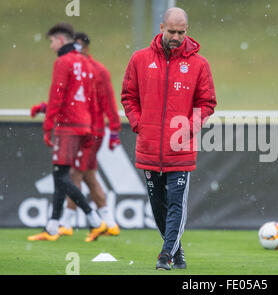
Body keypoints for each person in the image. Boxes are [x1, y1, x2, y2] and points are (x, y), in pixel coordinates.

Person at [121, 7, 217, 270]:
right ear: (162, 27)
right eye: (172, 31)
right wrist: (138, 123)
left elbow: (207, 103)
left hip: (180, 149)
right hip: (149, 148)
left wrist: (189, 127)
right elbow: (128, 96)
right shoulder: (139, 60)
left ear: (187, 30)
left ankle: (165, 255)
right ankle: (177, 252)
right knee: (158, 207)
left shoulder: (199, 64)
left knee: (176, 204)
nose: (176, 37)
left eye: (181, 32)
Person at [27, 23, 107, 242]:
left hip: (68, 126)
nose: (51, 46)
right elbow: (87, 96)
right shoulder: (84, 62)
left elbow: (58, 95)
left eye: (52, 41)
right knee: (60, 174)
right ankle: (53, 225)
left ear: (61, 40)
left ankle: (94, 219)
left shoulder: (63, 61)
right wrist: (90, 126)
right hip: (84, 125)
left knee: (62, 175)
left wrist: (47, 126)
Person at [56, 32, 122, 237]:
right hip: (79, 130)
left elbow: (109, 101)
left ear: (85, 48)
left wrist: (115, 130)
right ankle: (109, 222)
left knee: (75, 174)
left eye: (78, 48)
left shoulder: (97, 71)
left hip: (92, 132)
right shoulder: (74, 70)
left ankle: (67, 223)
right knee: (88, 176)